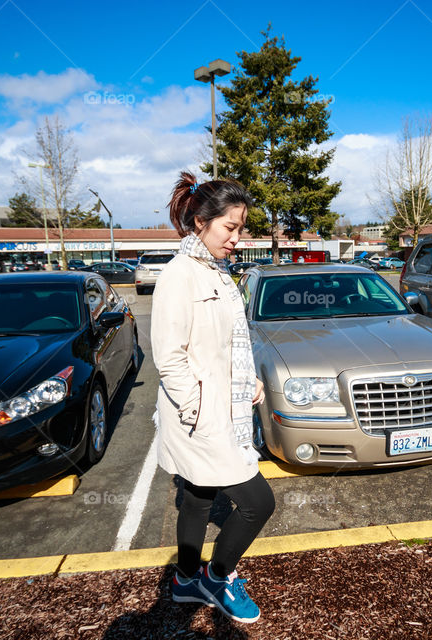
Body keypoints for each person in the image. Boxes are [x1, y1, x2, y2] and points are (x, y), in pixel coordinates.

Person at [150, 171, 275, 624]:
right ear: (200, 221)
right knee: (259, 502)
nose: (238, 238)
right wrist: (199, 410)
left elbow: (221, 347)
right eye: (230, 227)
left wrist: (246, 385)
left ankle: (185, 579)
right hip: (202, 417)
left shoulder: (217, 272)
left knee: (199, 497)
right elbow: (169, 358)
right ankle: (217, 577)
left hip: (223, 406)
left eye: (241, 228)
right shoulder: (179, 275)